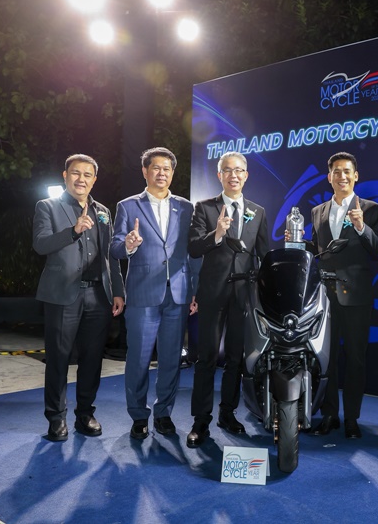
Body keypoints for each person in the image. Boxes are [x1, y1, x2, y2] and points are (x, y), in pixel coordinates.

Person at [33, 153, 125, 441]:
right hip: (63, 295)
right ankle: (56, 418)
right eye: (75, 173)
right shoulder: (47, 206)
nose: (81, 179)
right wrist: (73, 231)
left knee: (92, 359)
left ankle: (85, 414)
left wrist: (118, 291)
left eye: (87, 175)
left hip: (98, 295)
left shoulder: (103, 211)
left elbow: (110, 255)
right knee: (58, 359)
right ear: (65, 175)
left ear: (94, 180)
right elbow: (40, 244)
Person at [295, 152, 378, 439]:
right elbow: (320, 249)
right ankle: (330, 414)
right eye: (336, 171)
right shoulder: (317, 211)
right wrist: (298, 243)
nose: (342, 176)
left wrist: (361, 227)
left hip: (356, 295)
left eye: (347, 171)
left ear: (356, 176)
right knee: (326, 358)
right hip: (324, 296)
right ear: (329, 176)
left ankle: (352, 418)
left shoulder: (370, 208)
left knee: (356, 359)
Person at [110, 147, 197, 440]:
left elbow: (191, 253)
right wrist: (129, 245)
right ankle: (138, 415)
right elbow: (115, 248)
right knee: (138, 359)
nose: (162, 173)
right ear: (145, 171)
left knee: (171, 359)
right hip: (143, 294)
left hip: (178, 295)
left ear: (172, 173)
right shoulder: (128, 206)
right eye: (156, 168)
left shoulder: (186, 207)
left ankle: (163, 414)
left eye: (167, 169)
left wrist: (194, 290)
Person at [186, 151, 269, 447]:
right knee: (206, 358)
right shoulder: (205, 208)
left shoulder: (258, 211)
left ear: (246, 175)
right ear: (219, 175)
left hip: (243, 295)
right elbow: (194, 248)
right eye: (228, 170)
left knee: (236, 358)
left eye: (239, 170)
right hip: (212, 293)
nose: (234, 175)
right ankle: (200, 421)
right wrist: (217, 234)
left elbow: (263, 254)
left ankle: (227, 413)